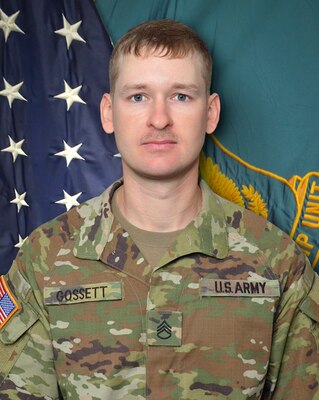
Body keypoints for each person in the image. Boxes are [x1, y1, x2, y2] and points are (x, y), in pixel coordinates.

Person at [0, 19, 318, 400]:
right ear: (107, 112)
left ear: (211, 112)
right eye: (138, 96)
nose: (159, 118)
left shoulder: (277, 262)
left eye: (181, 96)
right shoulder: (42, 259)